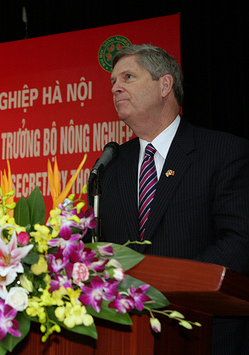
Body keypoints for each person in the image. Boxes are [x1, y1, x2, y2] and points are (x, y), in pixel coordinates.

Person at [97, 44, 249, 354]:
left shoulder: (223, 152)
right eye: (113, 82)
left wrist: (163, 288)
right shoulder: (109, 167)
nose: (116, 88)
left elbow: (239, 242)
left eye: (127, 77)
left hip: (204, 334)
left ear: (165, 85)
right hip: (127, 338)